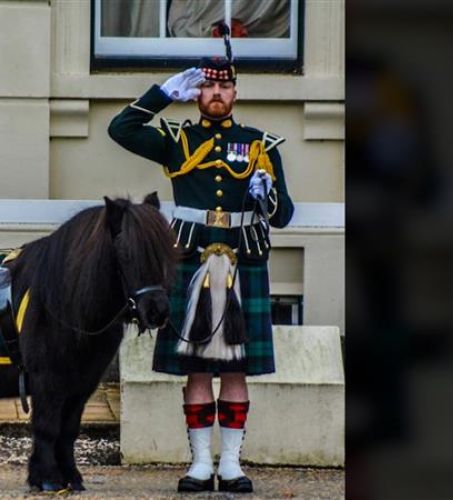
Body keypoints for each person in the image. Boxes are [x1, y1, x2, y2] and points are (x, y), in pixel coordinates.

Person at [107, 33, 294, 494]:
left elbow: (285, 215)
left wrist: (266, 194)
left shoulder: (259, 145)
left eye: (223, 87)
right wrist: (162, 94)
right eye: (207, 87)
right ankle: (197, 464)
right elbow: (120, 129)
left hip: (242, 259)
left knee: (235, 368)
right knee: (194, 367)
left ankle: (230, 464)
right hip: (189, 261)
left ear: (235, 92)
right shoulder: (178, 140)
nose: (215, 94)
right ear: (197, 92)